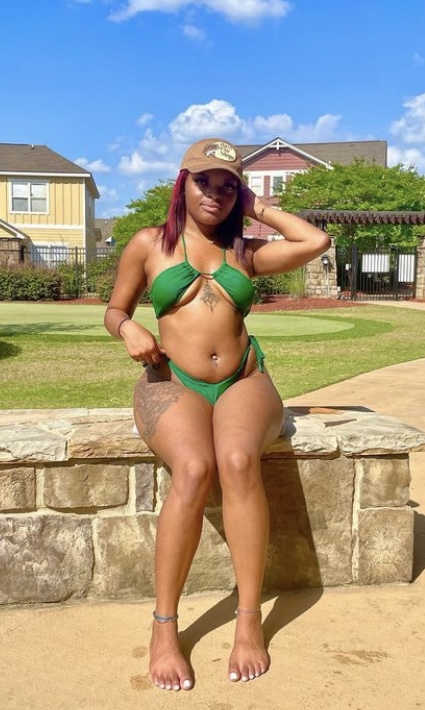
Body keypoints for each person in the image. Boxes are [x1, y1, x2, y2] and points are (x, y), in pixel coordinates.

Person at [104, 137, 330, 691]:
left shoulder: (245, 251)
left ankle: (248, 619)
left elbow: (316, 240)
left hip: (243, 379)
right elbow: (115, 308)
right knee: (194, 468)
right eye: (204, 181)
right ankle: (164, 627)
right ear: (183, 183)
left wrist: (257, 206)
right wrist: (129, 328)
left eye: (229, 185)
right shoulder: (149, 244)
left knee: (237, 460)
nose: (216, 193)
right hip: (170, 381)